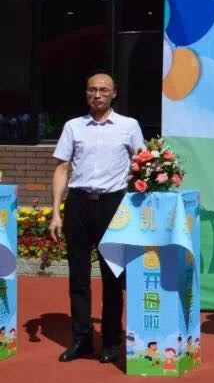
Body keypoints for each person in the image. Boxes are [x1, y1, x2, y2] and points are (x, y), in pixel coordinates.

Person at [48, 70, 144, 363]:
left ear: (114, 93)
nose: (97, 94)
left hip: (113, 206)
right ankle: (82, 338)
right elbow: (62, 168)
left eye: (103, 90)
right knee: (78, 277)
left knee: (112, 277)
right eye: (92, 89)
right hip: (78, 204)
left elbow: (143, 163)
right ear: (86, 93)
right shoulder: (73, 126)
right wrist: (55, 212)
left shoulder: (128, 126)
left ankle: (112, 340)